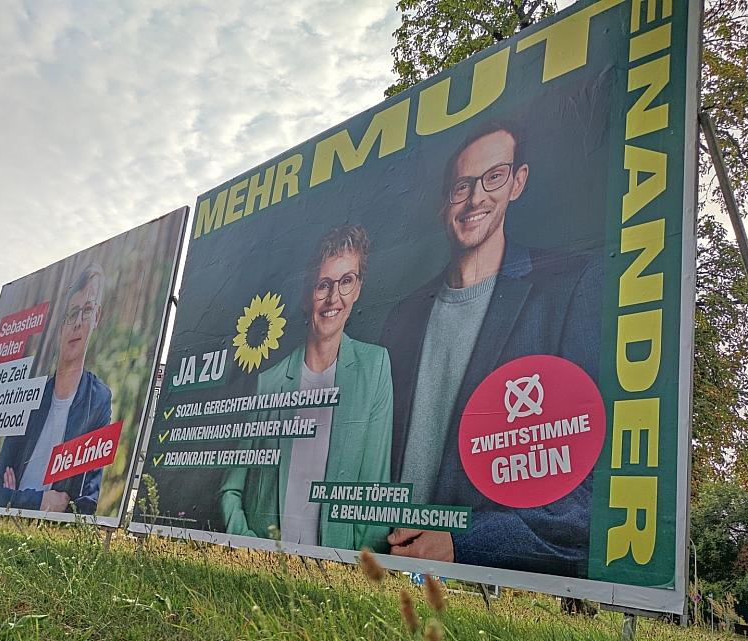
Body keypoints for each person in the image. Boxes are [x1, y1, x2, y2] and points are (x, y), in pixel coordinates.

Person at [380, 122, 601, 577]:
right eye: (462, 186)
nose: (476, 198)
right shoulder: (403, 315)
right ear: (446, 201)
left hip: (476, 588)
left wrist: (465, 543)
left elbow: (589, 494)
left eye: (493, 177)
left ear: (518, 182)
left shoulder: (569, 287)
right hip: (381, 559)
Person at [220, 225, 393, 552]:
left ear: (358, 289)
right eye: (323, 285)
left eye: (346, 282)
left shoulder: (375, 367)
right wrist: (251, 550)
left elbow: (376, 494)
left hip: (337, 575)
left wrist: (357, 580)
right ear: (306, 295)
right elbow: (231, 489)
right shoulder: (268, 382)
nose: (334, 298)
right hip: (265, 569)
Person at [0, 265, 112, 515]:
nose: (77, 323)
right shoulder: (31, 397)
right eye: (72, 313)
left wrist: (16, 497)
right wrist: (40, 502)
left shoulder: (98, 399)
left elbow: (86, 502)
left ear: (97, 317)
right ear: (60, 324)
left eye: (86, 311)